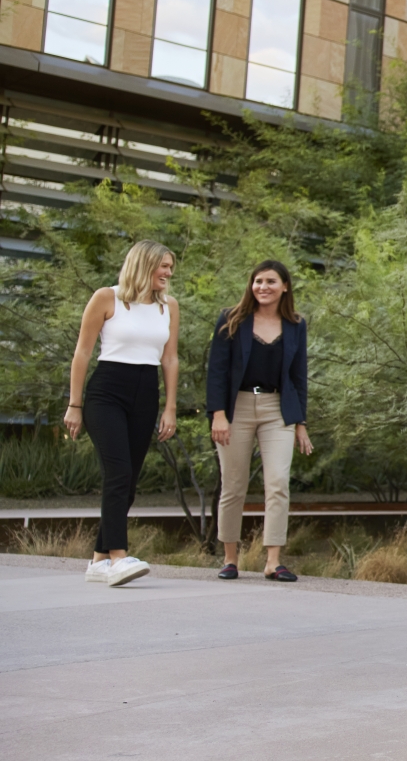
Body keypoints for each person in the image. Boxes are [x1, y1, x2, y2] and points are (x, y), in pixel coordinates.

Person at [64, 240, 180, 588]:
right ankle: (118, 556)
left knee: (127, 482)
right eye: (163, 266)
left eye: (170, 267)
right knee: (118, 472)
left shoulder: (169, 306)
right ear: (144, 264)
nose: (168, 273)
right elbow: (82, 353)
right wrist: (74, 404)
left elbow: (170, 359)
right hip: (107, 391)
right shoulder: (106, 297)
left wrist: (170, 407)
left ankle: (98, 561)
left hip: (146, 392)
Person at [207, 260, 313, 581]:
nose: (263, 287)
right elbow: (217, 370)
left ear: (285, 287)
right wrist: (218, 415)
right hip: (235, 407)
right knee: (234, 485)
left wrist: (300, 422)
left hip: (277, 408)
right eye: (257, 281)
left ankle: (273, 561)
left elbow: (298, 376)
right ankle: (229, 559)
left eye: (270, 281)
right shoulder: (232, 319)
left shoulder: (296, 324)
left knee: (278, 483)